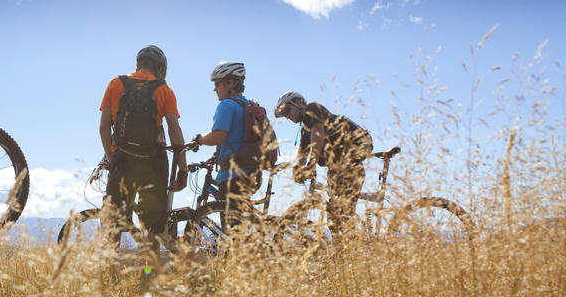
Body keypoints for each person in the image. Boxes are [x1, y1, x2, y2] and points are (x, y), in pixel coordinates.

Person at [98, 45, 188, 249]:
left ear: (138, 65)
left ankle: (107, 275)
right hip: (153, 164)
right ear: (160, 69)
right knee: (152, 226)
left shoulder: (115, 84)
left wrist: (113, 160)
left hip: (122, 160)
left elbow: (104, 128)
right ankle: (148, 274)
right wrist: (183, 169)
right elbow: (175, 131)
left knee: (113, 223)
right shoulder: (164, 89)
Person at [275, 91, 373, 240]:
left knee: (341, 212)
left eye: (286, 111)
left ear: (298, 102)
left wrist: (312, 163)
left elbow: (318, 133)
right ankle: (345, 249)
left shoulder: (312, 109)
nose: (287, 116)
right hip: (338, 165)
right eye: (283, 115)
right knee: (335, 214)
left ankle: (353, 245)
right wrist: (297, 170)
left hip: (353, 153)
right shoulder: (304, 132)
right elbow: (302, 152)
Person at [192, 61, 259, 204]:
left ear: (230, 83)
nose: (214, 89)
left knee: (231, 226)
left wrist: (199, 139)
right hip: (250, 173)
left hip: (231, 177)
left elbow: (217, 136)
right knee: (240, 222)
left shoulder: (227, 105)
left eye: (217, 84)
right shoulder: (248, 105)